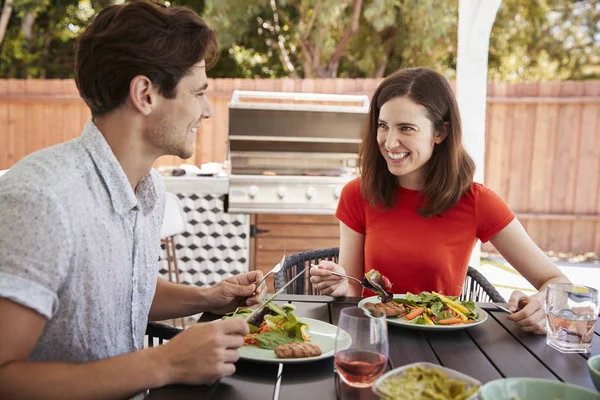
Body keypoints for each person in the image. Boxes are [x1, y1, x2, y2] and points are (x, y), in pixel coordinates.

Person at [0, 2, 266, 399]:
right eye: (198, 93)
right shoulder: (42, 201)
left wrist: (207, 297)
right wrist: (167, 361)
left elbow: (119, 292)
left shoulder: (149, 189)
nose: (207, 110)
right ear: (145, 94)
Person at [310, 67, 570, 335]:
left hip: (447, 346)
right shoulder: (357, 194)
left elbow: (558, 282)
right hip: (372, 341)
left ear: (440, 133)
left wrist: (540, 304)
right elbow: (354, 289)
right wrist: (340, 286)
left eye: (406, 129)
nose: (390, 142)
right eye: (383, 126)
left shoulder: (478, 202)